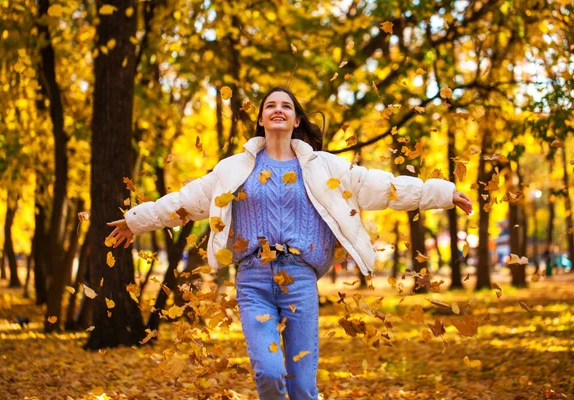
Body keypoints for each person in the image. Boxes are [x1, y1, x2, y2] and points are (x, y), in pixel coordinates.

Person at [107, 87, 473, 399]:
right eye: (270, 106)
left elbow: (383, 187)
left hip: (300, 279)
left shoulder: (325, 167)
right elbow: (184, 202)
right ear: (262, 120)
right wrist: (136, 220)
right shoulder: (233, 169)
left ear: (296, 120)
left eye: (286, 106)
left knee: (302, 386)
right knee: (268, 373)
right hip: (253, 279)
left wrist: (441, 192)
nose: (278, 110)